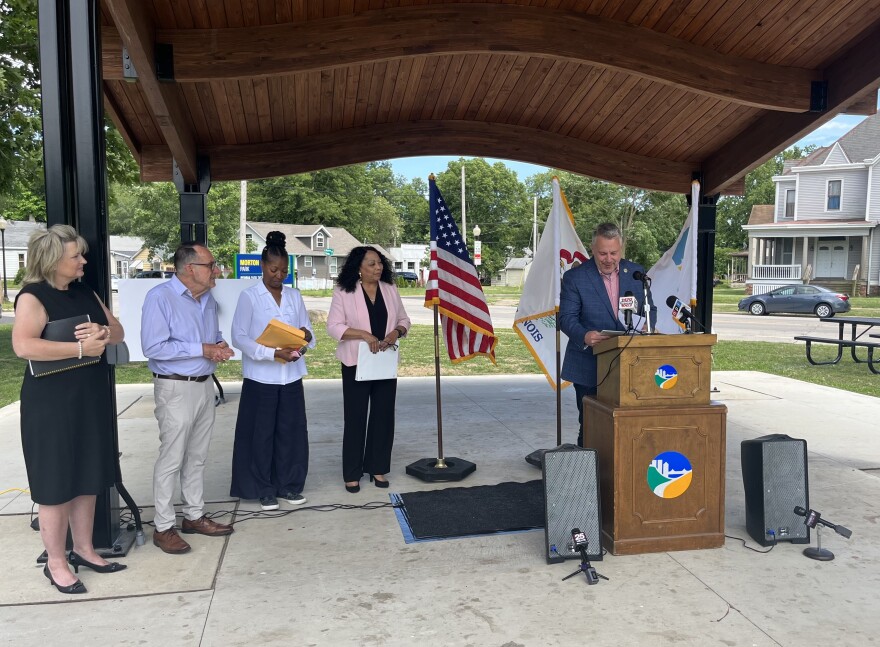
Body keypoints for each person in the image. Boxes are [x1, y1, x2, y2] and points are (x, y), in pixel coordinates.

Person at [12, 225, 127, 594]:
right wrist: (81, 350)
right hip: (51, 404)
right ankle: (57, 563)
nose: (83, 260)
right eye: (75, 255)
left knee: (87, 475)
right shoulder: (32, 297)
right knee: (56, 481)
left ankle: (85, 549)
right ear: (52, 259)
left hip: (87, 397)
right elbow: (24, 346)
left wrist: (103, 333)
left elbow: (119, 331)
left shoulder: (85, 292)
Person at [141, 243, 235, 554]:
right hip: (174, 388)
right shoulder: (160, 297)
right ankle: (163, 526)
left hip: (204, 384)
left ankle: (194, 516)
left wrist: (218, 345)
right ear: (190, 269)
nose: (217, 270)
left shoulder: (206, 298)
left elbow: (210, 337)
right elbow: (153, 347)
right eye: (212, 265)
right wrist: (202, 349)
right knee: (172, 458)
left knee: (197, 456)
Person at [230, 231, 315, 511]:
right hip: (261, 377)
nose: (279, 275)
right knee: (261, 434)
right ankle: (263, 487)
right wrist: (270, 353)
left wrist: (302, 344)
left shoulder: (294, 295)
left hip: (290, 376)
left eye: (283, 270)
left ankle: (288, 485)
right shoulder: (250, 296)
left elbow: (308, 332)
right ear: (262, 266)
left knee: (290, 432)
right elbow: (239, 337)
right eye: (273, 269)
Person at [559, 222, 656, 446]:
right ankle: (587, 477)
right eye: (603, 253)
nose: (608, 259)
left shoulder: (636, 273)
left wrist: (646, 326)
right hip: (588, 363)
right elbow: (566, 318)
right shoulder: (576, 277)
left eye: (614, 253)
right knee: (590, 423)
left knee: (628, 423)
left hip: (630, 364)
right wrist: (584, 335)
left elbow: (651, 309)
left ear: (621, 250)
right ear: (593, 250)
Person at [326, 246, 411, 493]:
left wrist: (396, 332)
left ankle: (377, 468)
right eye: (372, 264)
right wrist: (363, 334)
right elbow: (333, 327)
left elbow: (405, 320)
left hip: (384, 362)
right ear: (359, 268)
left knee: (383, 416)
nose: (378, 268)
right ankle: (352, 473)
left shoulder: (390, 289)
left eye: (380, 263)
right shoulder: (344, 291)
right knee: (356, 418)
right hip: (355, 363)